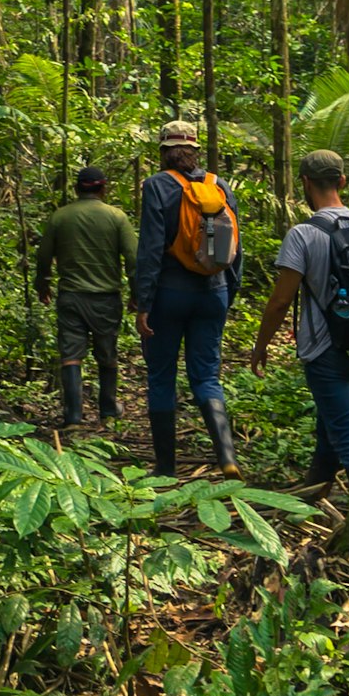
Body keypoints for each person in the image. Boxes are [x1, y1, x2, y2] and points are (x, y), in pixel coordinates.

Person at [247, 149, 349, 489]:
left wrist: (260, 346)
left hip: (323, 348)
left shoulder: (302, 234)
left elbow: (280, 301)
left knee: (347, 433)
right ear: (342, 181)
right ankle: (314, 490)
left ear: (304, 183)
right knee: (330, 419)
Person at [131, 121, 239, 476]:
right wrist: (229, 293)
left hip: (169, 295)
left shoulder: (157, 186)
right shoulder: (218, 185)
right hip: (214, 292)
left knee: (161, 376)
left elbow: (149, 248)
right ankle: (227, 458)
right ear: (195, 150)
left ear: (163, 151)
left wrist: (143, 303)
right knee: (207, 376)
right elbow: (238, 248)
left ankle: (165, 469)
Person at [30, 165, 133, 429]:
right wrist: (138, 294)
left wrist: (42, 284)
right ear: (104, 188)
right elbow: (133, 258)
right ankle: (108, 411)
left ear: (76, 189)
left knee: (71, 355)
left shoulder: (60, 217)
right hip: (106, 298)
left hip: (71, 297)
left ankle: (73, 416)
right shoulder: (116, 217)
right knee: (107, 353)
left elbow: (44, 256)